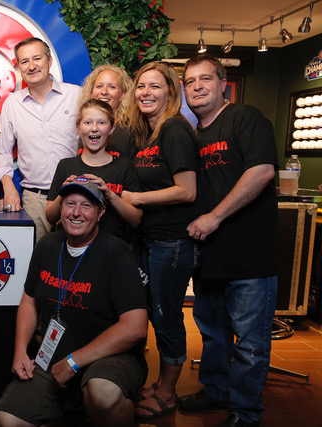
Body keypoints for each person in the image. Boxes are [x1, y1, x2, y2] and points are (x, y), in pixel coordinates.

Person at [0, 177, 148, 427]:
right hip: (53, 360)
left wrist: (74, 360)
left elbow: (135, 327)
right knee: (8, 420)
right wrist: (21, 351)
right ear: (61, 209)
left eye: (86, 206)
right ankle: (77, 412)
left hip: (107, 361)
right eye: (69, 204)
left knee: (102, 393)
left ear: (100, 212)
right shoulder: (47, 245)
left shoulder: (117, 253)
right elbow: (29, 301)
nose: (76, 213)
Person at [179, 54, 279, 427]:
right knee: (213, 336)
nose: (198, 86)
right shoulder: (193, 136)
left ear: (223, 84)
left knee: (250, 345)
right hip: (209, 257)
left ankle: (245, 412)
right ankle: (215, 390)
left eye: (206, 79)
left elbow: (263, 171)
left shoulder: (246, 118)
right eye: (190, 81)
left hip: (250, 256)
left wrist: (214, 216)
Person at [121, 61, 199, 419]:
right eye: (141, 86)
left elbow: (187, 191)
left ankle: (167, 393)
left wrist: (137, 198)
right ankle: (160, 382)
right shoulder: (148, 133)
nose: (146, 93)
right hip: (151, 240)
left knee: (167, 316)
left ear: (171, 91)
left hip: (173, 241)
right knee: (155, 313)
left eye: (155, 86)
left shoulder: (175, 129)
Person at [0, 37, 81, 242]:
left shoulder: (76, 96)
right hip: (35, 201)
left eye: (37, 58)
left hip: (77, 195)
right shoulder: (13, 104)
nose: (32, 66)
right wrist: (8, 186)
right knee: (38, 264)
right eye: (24, 61)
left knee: (79, 264)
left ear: (49, 60)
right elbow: (2, 151)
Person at [46, 99, 141, 240]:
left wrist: (110, 194)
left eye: (101, 122)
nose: (94, 128)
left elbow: (136, 220)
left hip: (112, 250)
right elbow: (50, 217)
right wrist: (63, 193)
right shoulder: (66, 165)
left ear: (111, 128)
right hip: (74, 248)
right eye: (88, 122)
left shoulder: (124, 166)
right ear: (78, 128)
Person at [79, 64, 135, 160]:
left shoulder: (131, 130)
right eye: (99, 86)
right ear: (91, 93)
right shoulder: (84, 126)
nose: (104, 92)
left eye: (112, 87)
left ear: (122, 95)